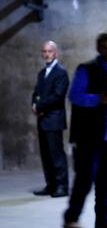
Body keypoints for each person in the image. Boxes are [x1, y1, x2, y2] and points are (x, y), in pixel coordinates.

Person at [63, 32, 107, 228]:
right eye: (106, 48)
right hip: (88, 138)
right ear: (99, 49)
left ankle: (105, 221)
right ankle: (71, 219)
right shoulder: (86, 70)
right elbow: (75, 96)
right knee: (84, 181)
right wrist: (97, 99)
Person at [32, 40, 70, 198]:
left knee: (56, 155)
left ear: (55, 53)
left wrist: (39, 107)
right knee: (46, 155)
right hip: (42, 119)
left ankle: (62, 187)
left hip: (54, 119)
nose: (46, 54)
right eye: (44, 52)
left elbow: (57, 96)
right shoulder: (42, 73)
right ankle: (51, 185)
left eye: (49, 51)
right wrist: (34, 104)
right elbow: (36, 93)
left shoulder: (61, 72)